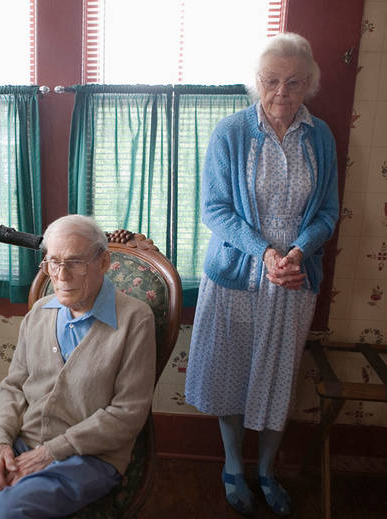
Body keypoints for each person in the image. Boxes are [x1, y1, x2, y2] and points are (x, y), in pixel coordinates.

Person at [0, 214, 156, 518]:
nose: (61, 275)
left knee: (2, 512)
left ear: (103, 262)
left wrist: (50, 453)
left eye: (75, 262)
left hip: (86, 456)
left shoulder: (134, 319)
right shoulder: (39, 312)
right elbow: (14, 387)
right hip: (21, 441)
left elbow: (128, 413)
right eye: (53, 262)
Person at [184, 33, 339, 517]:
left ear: (310, 84)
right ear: (257, 82)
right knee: (232, 376)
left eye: (294, 82)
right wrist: (264, 252)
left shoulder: (321, 136)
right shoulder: (230, 132)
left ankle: (267, 470)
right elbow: (214, 209)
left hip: (294, 277)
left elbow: (329, 211)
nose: (281, 92)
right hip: (236, 274)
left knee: (278, 380)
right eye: (272, 80)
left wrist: (296, 253)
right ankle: (233, 465)